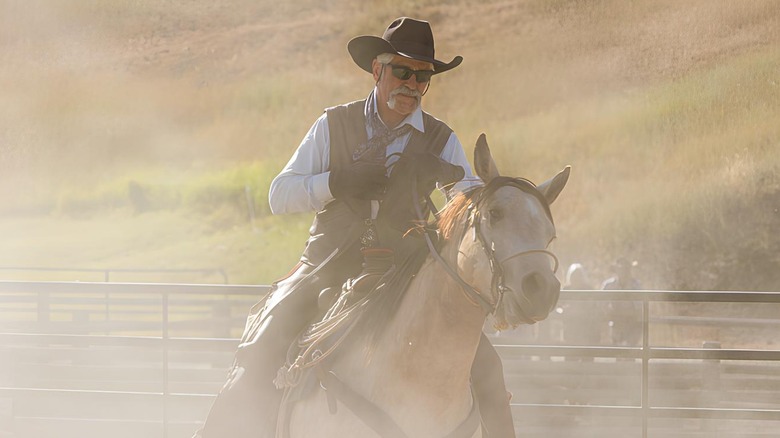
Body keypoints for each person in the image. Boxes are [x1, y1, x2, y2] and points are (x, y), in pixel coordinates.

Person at [199, 17, 516, 438]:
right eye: (403, 71)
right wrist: (335, 183)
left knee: (487, 366)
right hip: (328, 262)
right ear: (377, 71)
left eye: (422, 76)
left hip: (407, 271)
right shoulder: (332, 124)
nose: (412, 84)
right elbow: (280, 194)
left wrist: (457, 178)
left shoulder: (441, 138)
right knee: (266, 340)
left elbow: (474, 203)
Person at [602, 258, 643, 346]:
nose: (624, 271)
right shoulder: (609, 285)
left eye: (626, 269)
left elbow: (639, 307)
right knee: (618, 352)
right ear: (616, 270)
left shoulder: (636, 285)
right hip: (616, 322)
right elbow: (602, 303)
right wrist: (609, 313)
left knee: (630, 352)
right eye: (621, 269)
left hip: (632, 323)